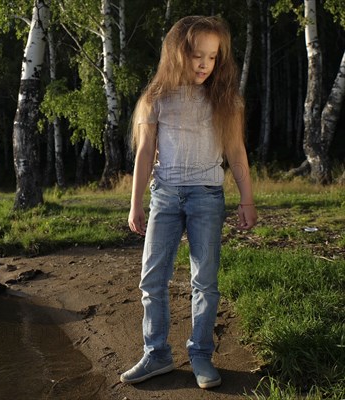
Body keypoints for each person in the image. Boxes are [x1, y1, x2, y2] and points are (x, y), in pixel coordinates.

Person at [121, 15, 257, 389]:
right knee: (152, 279)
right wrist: (136, 204)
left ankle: (200, 354)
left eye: (212, 57)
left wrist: (247, 200)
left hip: (207, 198)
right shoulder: (156, 99)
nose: (204, 64)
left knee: (205, 281)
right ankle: (157, 354)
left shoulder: (225, 99)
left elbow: (237, 153)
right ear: (176, 53)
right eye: (197, 55)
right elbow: (145, 154)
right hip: (164, 196)